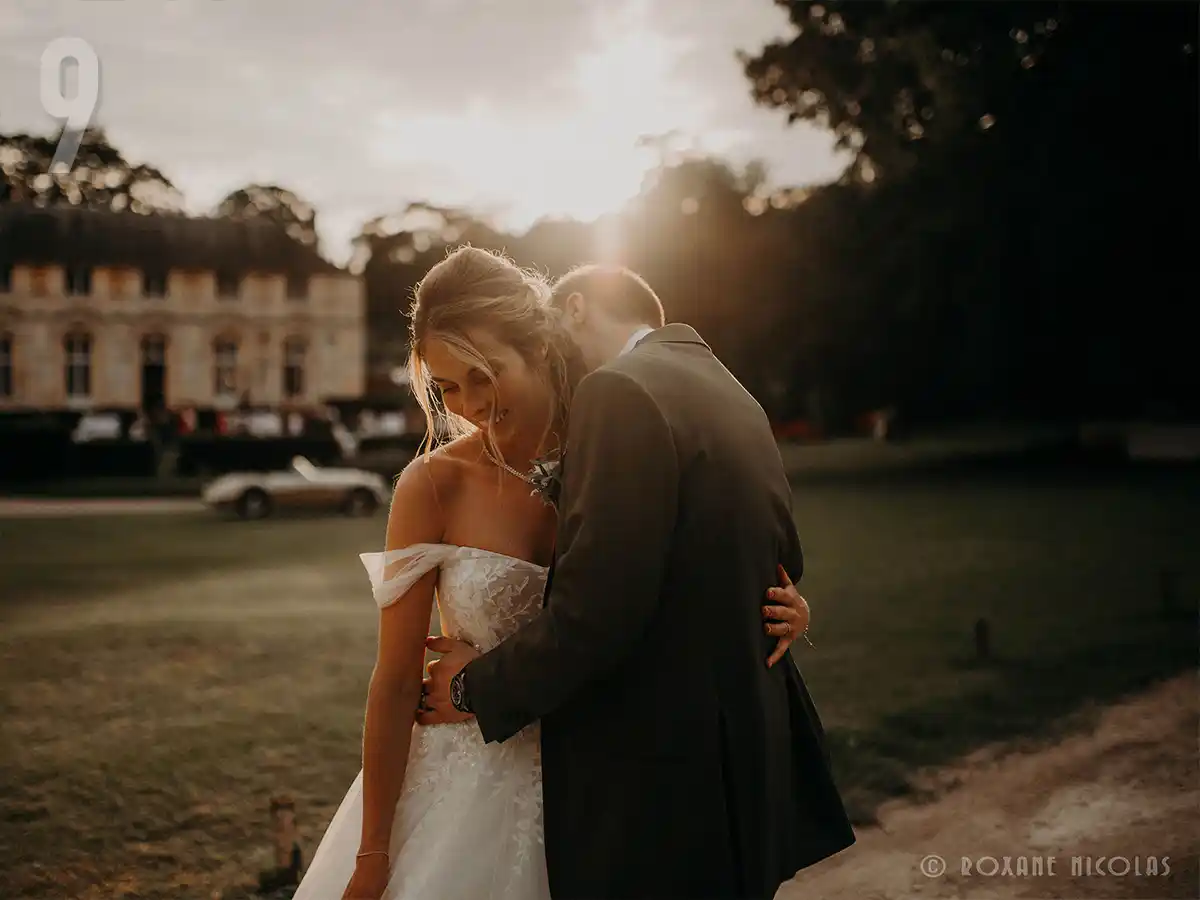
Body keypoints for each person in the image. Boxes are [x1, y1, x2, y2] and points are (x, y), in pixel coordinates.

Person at [290, 247, 817, 900]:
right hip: (474, 796)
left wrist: (784, 604)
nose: (472, 404)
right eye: (448, 387)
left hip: (618, 782)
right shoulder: (432, 486)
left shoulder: (621, 436)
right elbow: (395, 681)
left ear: (539, 344)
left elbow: (670, 576)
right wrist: (372, 854)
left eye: (485, 375)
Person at [420, 258, 856, 899]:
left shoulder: (618, 391)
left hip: (660, 774)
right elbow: (782, 557)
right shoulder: (727, 386)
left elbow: (595, 614)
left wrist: (470, 689)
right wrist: (796, 606)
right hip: (745, 763)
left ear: (574, 309)